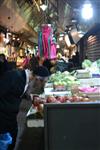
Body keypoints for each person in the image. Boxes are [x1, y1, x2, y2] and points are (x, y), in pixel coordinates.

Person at [0, 66, 50, 150]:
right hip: (3, 117)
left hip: (11, 117)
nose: (39, 87)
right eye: (42, 84)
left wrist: (37, 99)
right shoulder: (14, 76)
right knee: (6, 143)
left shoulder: (26, 80)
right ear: (37, 79)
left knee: (12, 140)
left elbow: (19, 92)